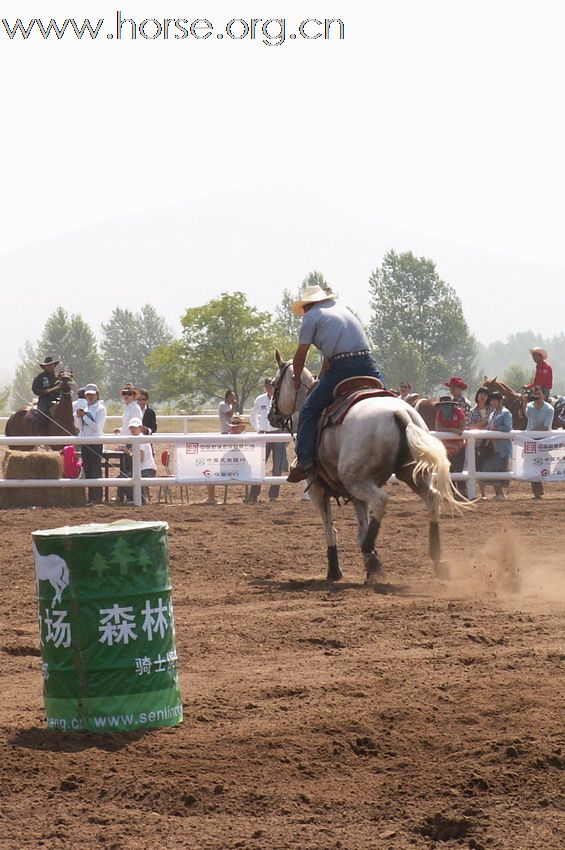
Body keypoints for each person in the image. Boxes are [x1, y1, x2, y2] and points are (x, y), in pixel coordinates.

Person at [287, 285, 382, 482]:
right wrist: (320, 380)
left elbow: (300, 356)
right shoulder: (343, 310)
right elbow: (327, 358)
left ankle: (304, 461)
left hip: (342, 367)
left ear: (307, 305)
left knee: (308, 410)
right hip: (367, 363)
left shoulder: (311, 316)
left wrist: (297, 379)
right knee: (389, 397)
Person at [248, 378, 288, 503]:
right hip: (264, 435)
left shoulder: (280, 399)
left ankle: (273, 495)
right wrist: (258, 428)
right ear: (265, 387)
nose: (269, 388)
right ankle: (254, 494)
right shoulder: (260, 399)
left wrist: (284, 430)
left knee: (277, 467)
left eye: (271, 385)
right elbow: (253, 415)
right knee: (260, 465)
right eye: (267, 386)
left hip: (277, 434)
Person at [74, 383, 106, 505]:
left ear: (97, 395)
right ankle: (91, 497)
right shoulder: (86, 408)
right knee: (87, 469)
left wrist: (85, 417)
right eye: (88, 395)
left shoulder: (100, 408)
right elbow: (79, 426)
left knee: (95, 469)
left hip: (95, 441)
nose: (90, 397)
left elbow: (97, 427)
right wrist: (78, 416)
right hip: (85, 441)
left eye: (92, 395)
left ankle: (96, 497)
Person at [114, 383, 143, 503]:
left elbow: (134, 427)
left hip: (131, 442)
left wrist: (127, 446)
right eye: (125, 393)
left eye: (129, 394)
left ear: (134, 396)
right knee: (126, 469)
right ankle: (127, 495)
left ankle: (132, 496)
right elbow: (128, 426)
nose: (126, 396)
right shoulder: (128, 408)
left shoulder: (134, 408)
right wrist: (120, 430)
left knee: (130, 469)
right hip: (127, 441)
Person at [525, 384, 555, 499]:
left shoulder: (549, 409)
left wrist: (531, 432)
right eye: (535, 394)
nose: (536, 396)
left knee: (541, 464)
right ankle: (537, 491)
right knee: (531, 464)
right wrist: (524, 402)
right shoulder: (529, 406)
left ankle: (539, 489)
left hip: (543, 440)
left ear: (544, 395)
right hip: (531, 439)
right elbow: (523, 415)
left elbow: (545, 427)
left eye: (539, 393)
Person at [434, 395, 466, 495]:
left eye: (448, 405)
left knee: (459, 469)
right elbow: (438, 428)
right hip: (445, 446)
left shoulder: (458, 412)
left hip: (459, 445)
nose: (445, 408)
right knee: (449, 469)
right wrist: (452, 430)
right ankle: (451, 491)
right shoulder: (440, 413)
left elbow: (462, 427)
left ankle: (462, 491)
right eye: (443, 405)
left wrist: (451, 430)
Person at [484, 390, 512, 501]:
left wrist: (495, 429)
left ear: (500, 401)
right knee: (494, 467)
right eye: (492, 401)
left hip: (502, 446)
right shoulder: (492, 414)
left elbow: (508, 428)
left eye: (494, 401)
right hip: (493, 445)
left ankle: (501, 493)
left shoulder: (506, 413)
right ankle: (498, 493)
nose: (493, 403)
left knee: (500, 467)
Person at [468, 386, 492, 500]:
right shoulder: (472, 411)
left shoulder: (492, 409)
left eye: (485, 394)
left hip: (490, 442)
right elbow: (470, 426)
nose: (482, 396)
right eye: (480, 394)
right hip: (477, 443)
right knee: (478, 466)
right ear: (477, 396)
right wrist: (483, 424)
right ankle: (482, 492)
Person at [128, 417, 156, 504]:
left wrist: (128, 453)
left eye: (135, 427)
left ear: (140, 428)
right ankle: (134, 498)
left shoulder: (141, 440)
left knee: (125, 477)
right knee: (124, 476)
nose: (133, 430)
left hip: (147, 469)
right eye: (131, 428)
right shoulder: (137, 439)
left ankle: (137, 498)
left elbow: (140, 458)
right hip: (145, 469)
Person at [31, 356, 61, 435]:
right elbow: (34, 389)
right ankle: (40, 432)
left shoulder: (58, 376)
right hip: (45, 399)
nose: (50, 366)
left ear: (54, 365)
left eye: (52, 365)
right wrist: (44, 391)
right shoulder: (40, 377)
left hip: (58, 398)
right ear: (44, 367)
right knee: (42, 413)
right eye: (48, 365)